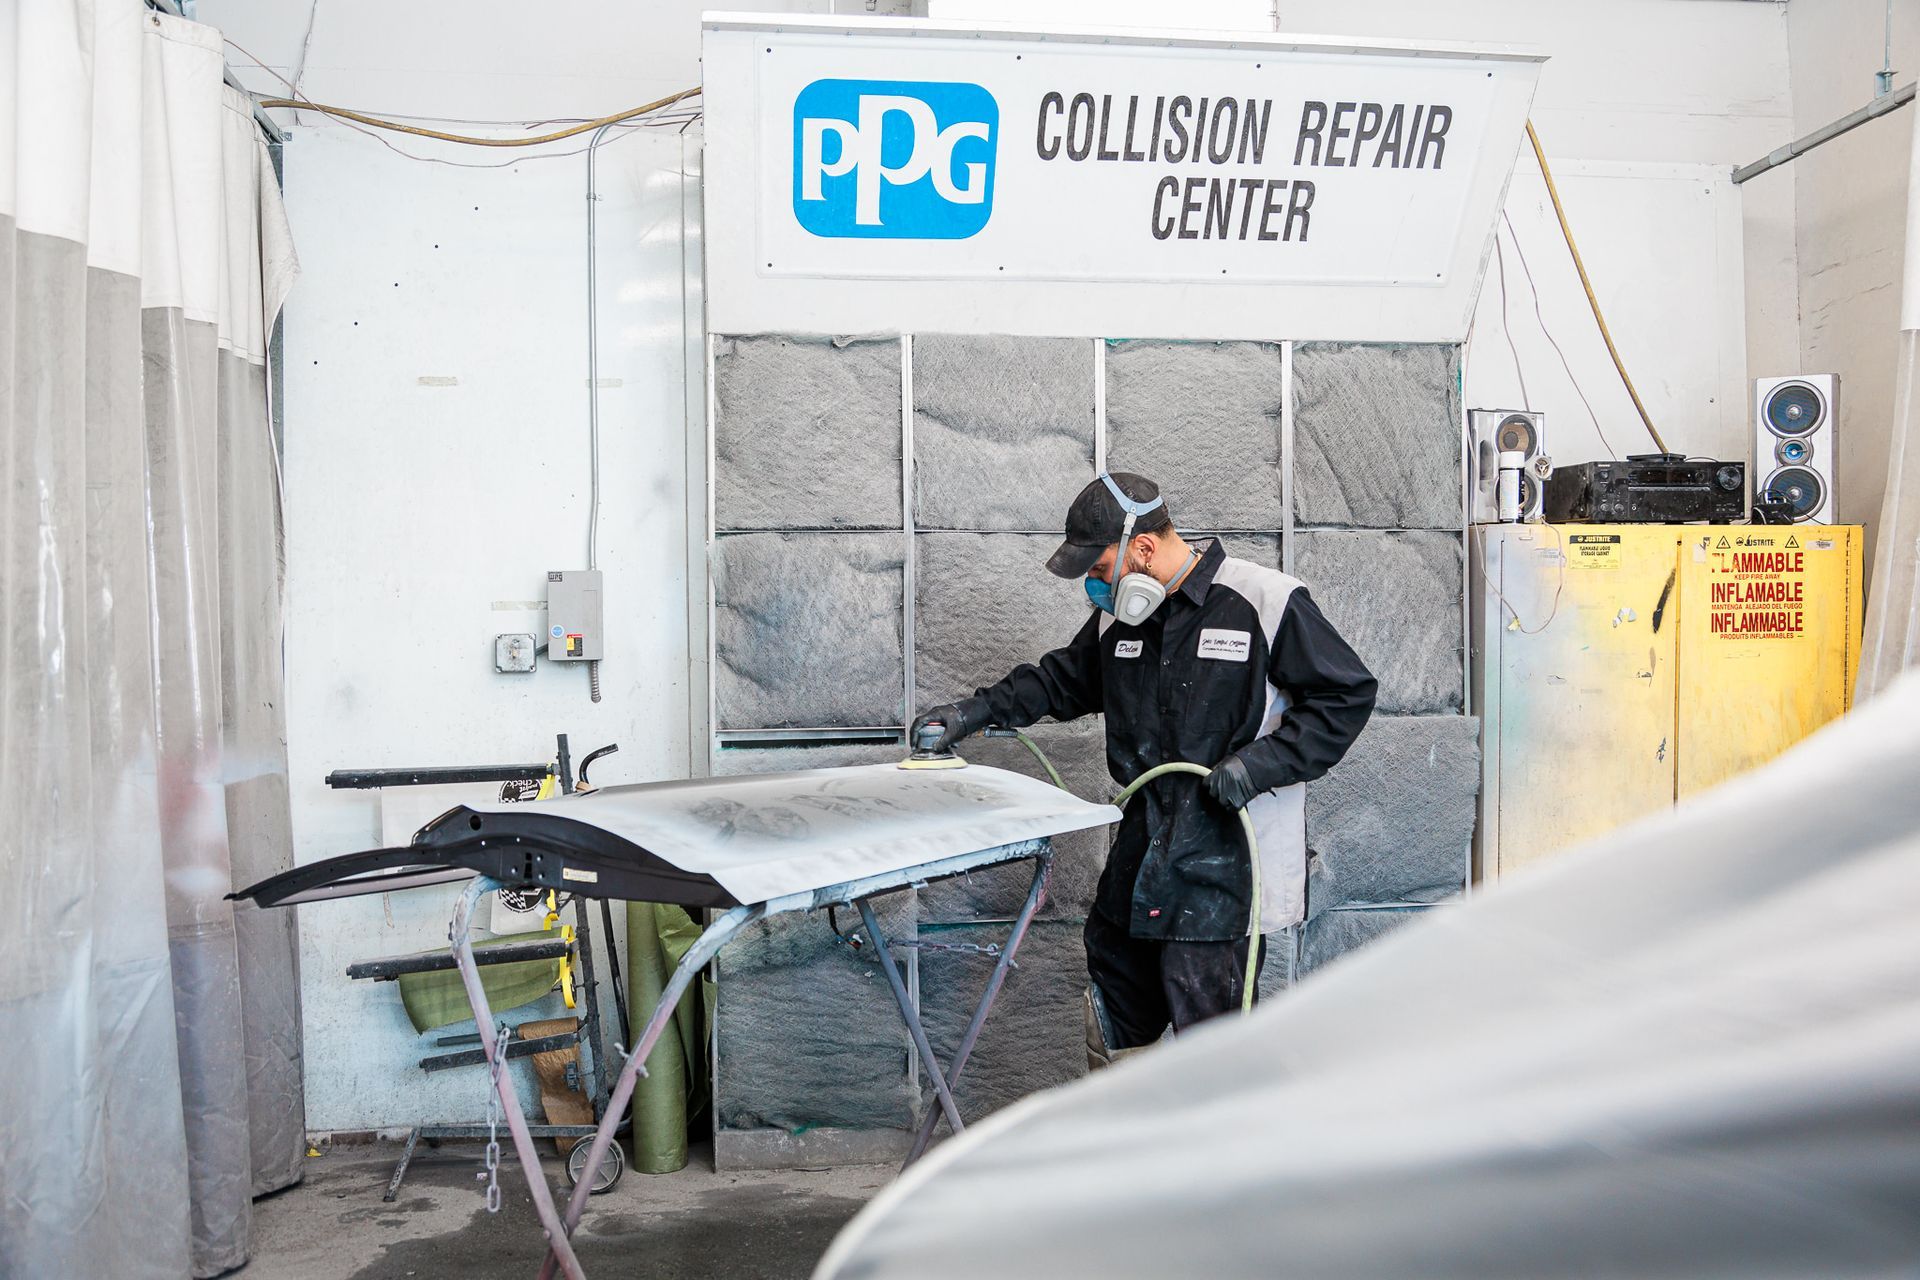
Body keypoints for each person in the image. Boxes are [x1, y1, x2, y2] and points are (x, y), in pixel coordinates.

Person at [910, 472, 1376, 1062]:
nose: (1095, 588)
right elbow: (1059, 681)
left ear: (1143, 547)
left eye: (1100, 570)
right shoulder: (1121, 622)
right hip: (1139, 865)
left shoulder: (1264, 601)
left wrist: (1261, 765)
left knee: (1213, 1062)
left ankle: (1210, 1154)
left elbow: (1347, 695)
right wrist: (972, 712)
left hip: (1226, 875)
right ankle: (1127, 1148)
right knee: (1113, 1026)